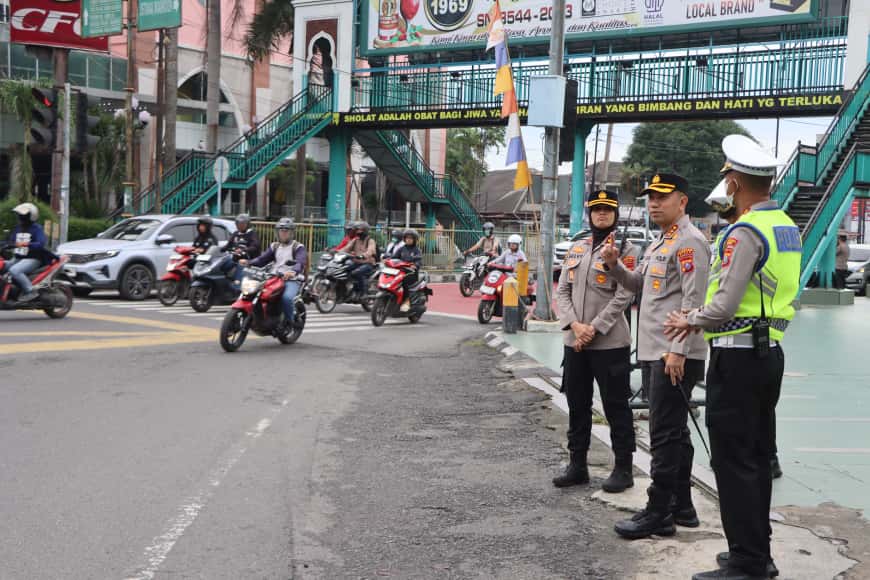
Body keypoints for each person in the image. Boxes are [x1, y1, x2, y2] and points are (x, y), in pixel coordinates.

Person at [665, 136, 800, 580]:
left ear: (736, 181)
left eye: (726, 177)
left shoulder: (743, 232)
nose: (723, 183)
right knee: (757, 456)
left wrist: (690, 320)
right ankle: (757, 552)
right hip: (768, 353)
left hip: (738, 357)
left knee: (734, 460)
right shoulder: (785, 224)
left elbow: (723, 306)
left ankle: (747, 562)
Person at [602, 173, 711, 539]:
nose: (653, 203)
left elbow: (694, 301)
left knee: (664, 434)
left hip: (673, 353)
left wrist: (678, 351)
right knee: (674, 433)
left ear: (682, 201)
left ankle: (658, 512)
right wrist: (615, 265)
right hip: (655, 351)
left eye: (662, 197)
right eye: (650, 197)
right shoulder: (659, 244)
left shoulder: (690, 243)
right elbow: (639, 287)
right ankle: (682, 506)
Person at [553, 190, 640, 493]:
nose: (601, 214)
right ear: (588, 213)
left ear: (615, 214)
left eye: (607, 209)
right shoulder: (577, 248)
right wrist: (575, 326)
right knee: (577, 404)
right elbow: (561, 291)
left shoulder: (627, 250)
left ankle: (623, 468)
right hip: (575, 340)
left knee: (616, 406)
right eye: (597, 209)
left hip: (610, 343)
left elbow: (624, 296)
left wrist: (593, 328)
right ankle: (577, 465)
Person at [708, 180, 784, 482]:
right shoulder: (771, 230)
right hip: (766, 342)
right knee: (762, 411)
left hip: (739, 341)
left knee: (741, 426)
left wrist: (694, 319)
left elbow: (724, 298)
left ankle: (764, 457)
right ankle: (768, 457)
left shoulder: (744, 236)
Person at [242, 218, 307, 329]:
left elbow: (300, 262)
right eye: (281, 231)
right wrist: (248, 262)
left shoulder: (298, 247)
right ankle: (263, 318)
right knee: (256, 292)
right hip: (274, 277)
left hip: (291, 279)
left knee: (286, 298)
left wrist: (292, 271)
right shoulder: (275, 246)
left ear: (291, 233)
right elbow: (262, 259)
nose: (283, 233)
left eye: (286, 231)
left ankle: (290, 321)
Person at [1, 203, 51, 301]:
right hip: (18, 258)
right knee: (1, 265)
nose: (21, 217)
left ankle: (31, 291)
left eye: (24, 215)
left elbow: (41, 243)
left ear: (31, 216)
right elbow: (9, 241)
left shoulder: (37, 228)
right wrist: (6, 245)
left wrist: (26, 244)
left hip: (33, 259)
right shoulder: (18, 228)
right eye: (20, 215)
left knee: (14, 270)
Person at [220, 214, 262, 282]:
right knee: (221, 267)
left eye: (242, 224)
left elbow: (255, 246)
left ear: (247, 224)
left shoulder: (252, 234)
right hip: (235, 259)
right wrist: (220, 249)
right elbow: (229, 244)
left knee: (239, 278)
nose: (240, 226)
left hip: (246, 261)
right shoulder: (236, 233)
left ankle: (237, 288)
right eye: (238, 224)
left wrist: (244, 250)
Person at [391, 228, 423, 312]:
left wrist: (415, 265)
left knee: (403, 281)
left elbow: (419, 261)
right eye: (407, 238)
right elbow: (393, 257)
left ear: (414, 239)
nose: (408, 239)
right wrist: (387, 259)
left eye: (410, 238)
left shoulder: (417, 250)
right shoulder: (401, 249)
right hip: (400, 271)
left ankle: (406, 302)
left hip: (411, 273)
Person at [345, 221, 377, 300]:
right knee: (344, 268)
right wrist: (336, 252)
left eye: (360, 230)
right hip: (357, 262)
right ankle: (348, 289)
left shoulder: (370, 240)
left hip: (368, 263)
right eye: (357, 230)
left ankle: (363, 292)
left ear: (365, 230)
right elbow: (346, 248)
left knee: (357, 272)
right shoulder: (355, 240)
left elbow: (371, 250)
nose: (358, 232)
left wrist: (363, 255)